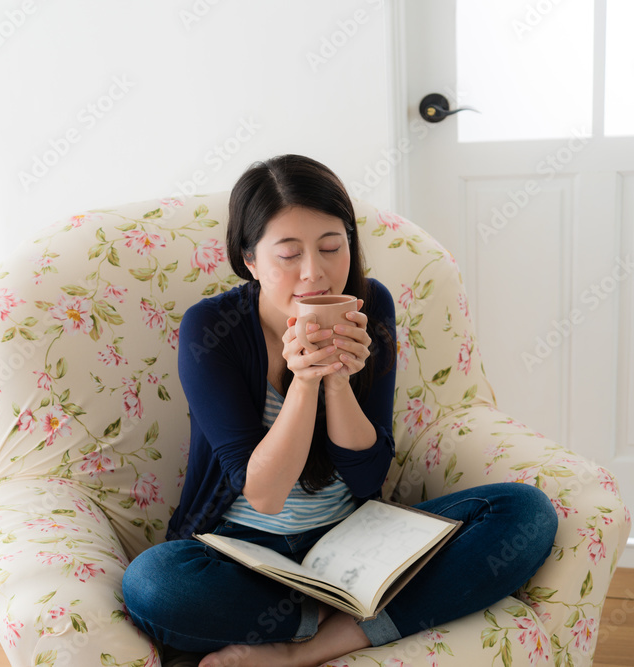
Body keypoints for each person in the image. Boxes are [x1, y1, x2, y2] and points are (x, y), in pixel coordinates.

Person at [121, 154, 558, 667]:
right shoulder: (210, 328)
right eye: (288, 254)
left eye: (332, 247)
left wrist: (339, 383)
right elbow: (262, 494)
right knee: (154, 586)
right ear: (250, 260)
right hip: (242, 552)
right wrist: (304, 383)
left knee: (523, 513)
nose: (316, 273)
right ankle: (357, 616)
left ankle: (302, 648)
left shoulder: (371, 306)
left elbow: (369, 473)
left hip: (352, 542)